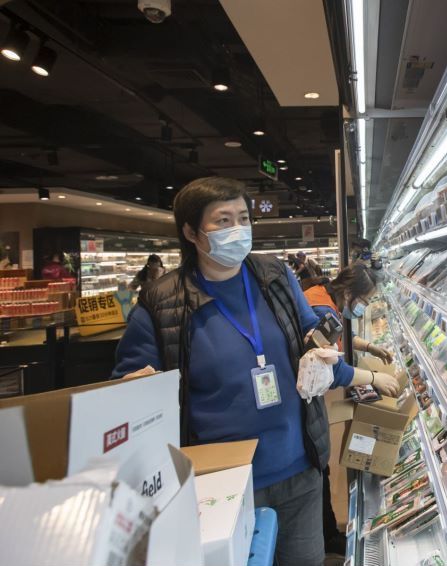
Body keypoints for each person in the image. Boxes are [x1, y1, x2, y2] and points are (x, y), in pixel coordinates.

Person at [112, 177, 399, 566]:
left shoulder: (274, 276)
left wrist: (322, 349)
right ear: (191, 232)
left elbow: (309, 329)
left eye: (243, 218)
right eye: (223, 220)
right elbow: (127, 388)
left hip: (299, 468)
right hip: (221, 486)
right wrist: (134, 391)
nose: (237, 229)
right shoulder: (160, 303)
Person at [302, 262, 395, 555]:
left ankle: (328, 535)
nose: (364, 306)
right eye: (365, 300)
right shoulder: (322, 310)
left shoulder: (324, 297)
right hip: (302, 404)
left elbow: (337, 337)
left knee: (319, 470)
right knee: (316, 469)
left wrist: (368, 347)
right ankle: (326, 540)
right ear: (348, 293)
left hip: (304, 401)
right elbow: (334, 370)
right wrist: (374, 378)